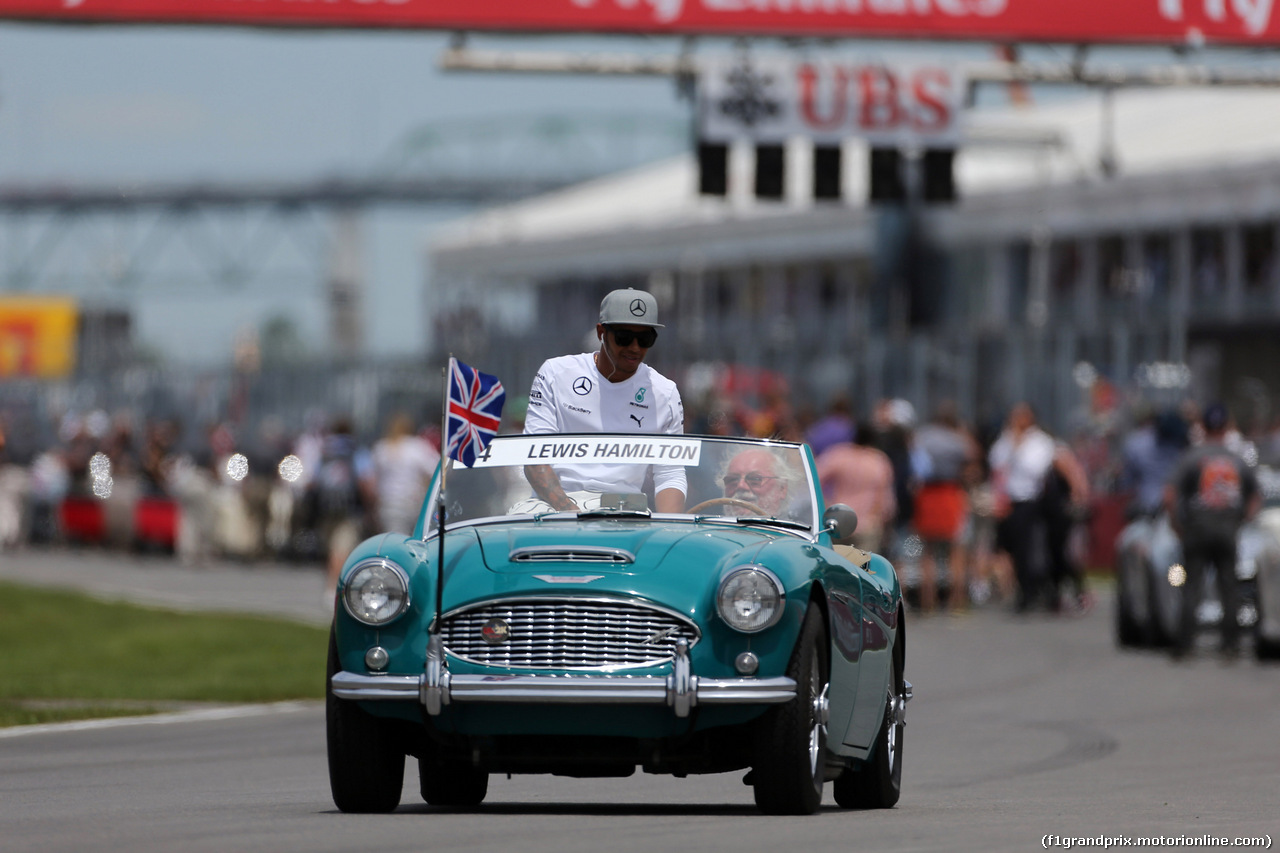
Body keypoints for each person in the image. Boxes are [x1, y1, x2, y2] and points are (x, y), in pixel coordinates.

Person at [516, 287, 686, 513]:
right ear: (601, 333)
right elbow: (535, 457)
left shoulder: (665, 392)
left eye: (645, 338)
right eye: (624, 337)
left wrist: (668, 530)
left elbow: (670, 474)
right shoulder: (555, 373)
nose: (635, 347)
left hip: (626, 508)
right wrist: (570, 511)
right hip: (553, 506)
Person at [1165, 402, 1260, 660]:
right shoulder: (1237, 459)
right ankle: (1230, 645)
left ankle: (1185, 644)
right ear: (1226, 427)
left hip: (1197, 526)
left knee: (1191, 584)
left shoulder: (1191, 457)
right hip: (1228, 526)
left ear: (1203, 426)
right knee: (1228, 586)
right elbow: (1254, 496)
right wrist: (1243, 521)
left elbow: (1171, 494)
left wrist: (1176, 522)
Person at [988, 402, 1057, 613]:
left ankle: (1030, 592)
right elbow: (995, 461)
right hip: (1007, 500)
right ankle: (1014, 588)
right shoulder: (1005, 439)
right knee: (1005, 549)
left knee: (1026, 549)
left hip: (1028, 500)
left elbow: (1034, 469)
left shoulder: (1040, 442)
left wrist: (1018, 446)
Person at [912, 401, 979, 612]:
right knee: (956, 549)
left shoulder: (922, 437)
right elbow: (973, 459)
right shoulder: (957, 439)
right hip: (951, 491)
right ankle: (956, 601)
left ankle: (927, 601)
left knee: (927, 550)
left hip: (926, 493)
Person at [815, 428, 897, 553]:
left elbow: (815, 476)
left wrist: (825, 503)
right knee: (863, 567)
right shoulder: (878, 461)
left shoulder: (839, 455)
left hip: (839, 519)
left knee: (834, 564)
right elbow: (885, 500)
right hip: (867, 524)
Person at [371, 413, 440, 535]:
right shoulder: (416, 447)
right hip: (412, 502)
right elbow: (436, 470)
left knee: (394, 539)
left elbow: (373, 478)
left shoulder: (381, 448)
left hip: (388, 503)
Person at [720, 446, 799, 518]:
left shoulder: (794, 532)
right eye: (732, 480)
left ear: (782, 488)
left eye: (755, 479)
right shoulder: (710, 530)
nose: (741, 486)